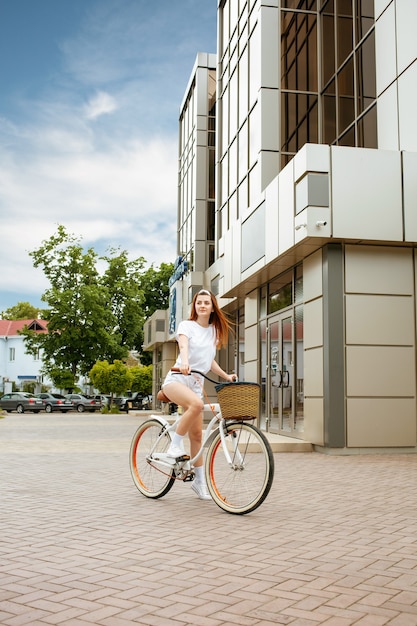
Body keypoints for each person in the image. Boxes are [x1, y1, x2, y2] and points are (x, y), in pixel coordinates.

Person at [161, 288, 236, 500]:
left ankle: (200, 484)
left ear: (213, 308)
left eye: (206, 303)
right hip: (176, 380)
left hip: (195, 385)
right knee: (195, 405)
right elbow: (183, 345)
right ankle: (174, 445)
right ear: (195, 306)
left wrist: (226, 375)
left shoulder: (214, 331)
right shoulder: (187, 326)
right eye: (199, 303)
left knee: (197, 436)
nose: (202, 306)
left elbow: (208, 361)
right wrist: (184, 361)